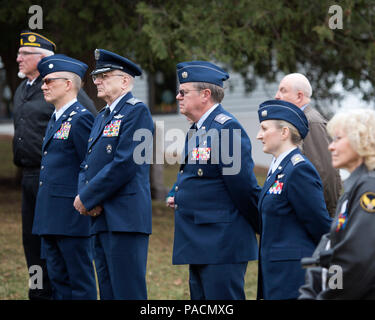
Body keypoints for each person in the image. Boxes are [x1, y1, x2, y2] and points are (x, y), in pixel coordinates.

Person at [12, 31, 97, 300]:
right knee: (35, 245)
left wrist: (87, 193)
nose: (18, 58)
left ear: (42, 58)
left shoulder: (71, 102)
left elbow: (90, 148)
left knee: (69, 260)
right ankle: (40, 294)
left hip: (61, 186)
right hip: (34, 179)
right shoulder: (23, 90)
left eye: (24, 54)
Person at [171, 61, 261, 300]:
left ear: (206, 95)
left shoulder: (226, 129)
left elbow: (244, 188)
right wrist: (176, 193)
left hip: (222, 242)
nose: (178, 96)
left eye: (183, 92)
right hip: (200, 240)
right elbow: (194, 173)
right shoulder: (198, 128)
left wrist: (262, 225)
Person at [73, 49, 154, 300]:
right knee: (107, 292)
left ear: (125, 81)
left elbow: (125, 164)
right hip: (102, 217)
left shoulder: (137, 112)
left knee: (127, 292)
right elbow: (87, 163)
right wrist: (88, 198)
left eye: (105, 76)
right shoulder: (102, 117)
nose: (97, 80)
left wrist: (88, 197)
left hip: (125, 218)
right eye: (97, 76)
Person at [256, 99, 332, 300]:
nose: (259, 135)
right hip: (276, 275)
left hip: (292, 277)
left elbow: (320, 224)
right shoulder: (279, 168)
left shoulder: (299, 170)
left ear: (284, 133)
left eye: (264, 129)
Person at [299, 108, 375, 299]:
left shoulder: (368, 187)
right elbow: (332, 247)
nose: (331, 147)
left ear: (361, 141)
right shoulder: (354, 186)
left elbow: (356, 260)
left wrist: (326, 296)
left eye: (338, 139)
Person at [275, 73, 341, 217]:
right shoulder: (299, 122)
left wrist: (326, 217)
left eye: (283, 90)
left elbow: (325, 173)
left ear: (299, 96)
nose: (276, 96)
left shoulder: (310, 123)